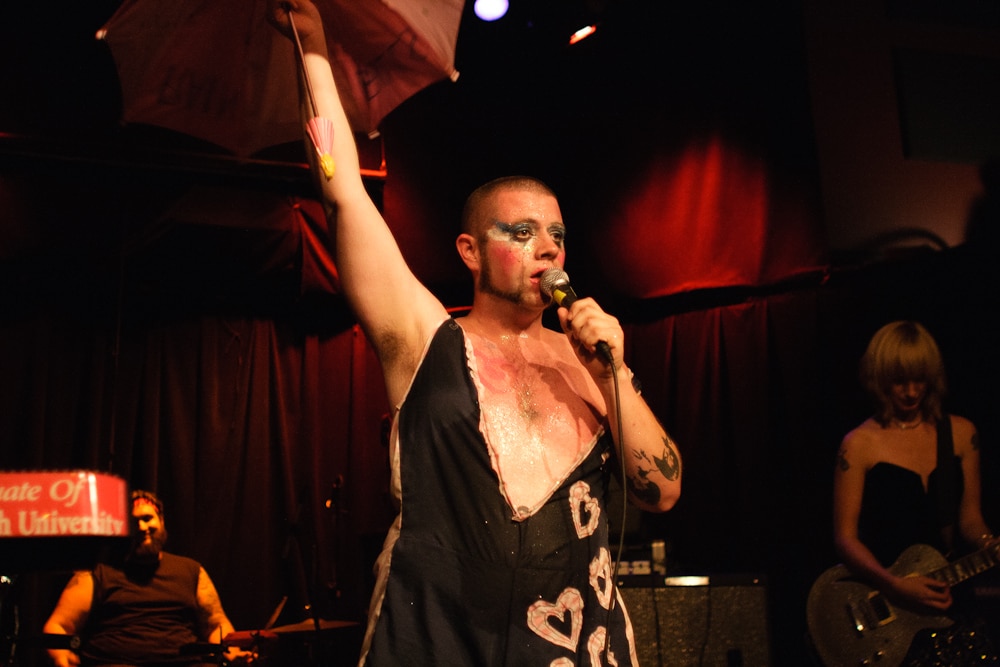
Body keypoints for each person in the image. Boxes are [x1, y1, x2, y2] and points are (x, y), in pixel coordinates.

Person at [268, 3, 682, 665]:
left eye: (556, 236)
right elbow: (342, 188)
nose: (545, 248)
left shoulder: (587, 359)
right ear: (470, 250)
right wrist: (313, 49)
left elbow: (661, 490)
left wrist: (613, 373)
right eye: (520, 233)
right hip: (438, 644)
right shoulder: (426, 337)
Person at [833, 320, 998, 665]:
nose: (911, 391)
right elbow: (846, 538)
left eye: (919, 380)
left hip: (949, 595)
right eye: (899, 381)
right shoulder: (858, 444)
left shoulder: (961, 433)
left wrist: (989, 544)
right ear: (880, 380)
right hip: (888, 599)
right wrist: (893, 584)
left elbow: (970, 520)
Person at [43, 490, 254, 667]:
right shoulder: (98, 573)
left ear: (161, 521)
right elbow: (59, 625)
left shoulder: (191, 570)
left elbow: (215, 623)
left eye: (147, 518)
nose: (143, 527)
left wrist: (232, 651)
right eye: (134, 522)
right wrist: (61, 656)